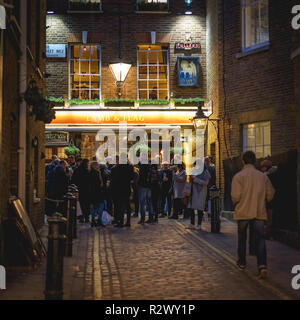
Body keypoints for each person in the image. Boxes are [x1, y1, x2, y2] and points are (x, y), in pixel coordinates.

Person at [231, 151, 275, 279]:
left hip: (243, 211)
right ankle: (262, 266)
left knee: (242, 237)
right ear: (254, 161)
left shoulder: (238, 177)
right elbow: (270, 194)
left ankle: (242, 262)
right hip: (258, 211)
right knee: (260, 239)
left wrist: (239, 201)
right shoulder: (262, 177)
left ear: (243, 161)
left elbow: (235, 197)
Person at [111, 154, 134, 228]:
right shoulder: (130, 166)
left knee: (120, 205)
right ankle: (128, 222)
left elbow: (114, 178)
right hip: (127, 187)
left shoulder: (118, 167)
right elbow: (132, 176)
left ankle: (121, 222)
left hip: (119, 188)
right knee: (127, 205)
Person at [186, 161, 211, 230]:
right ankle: (192, 223)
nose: (195, 167)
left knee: (200, 209)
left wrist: (195, 179)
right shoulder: (194, 170)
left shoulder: (205, 172)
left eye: (196, 166)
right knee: (191, 208)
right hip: (193, 191)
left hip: (201, 192)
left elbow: (206, 182)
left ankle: (199, 224)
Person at [260, 159, 278, 239]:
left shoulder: (267, 176)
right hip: (270, 200)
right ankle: (267, 234)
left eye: (262, 167)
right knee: (269, 219)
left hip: (268, 200)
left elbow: (269, 190)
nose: (261, 169)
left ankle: (267, 234)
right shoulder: (272, 173)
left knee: (268, 219)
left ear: (266, 167)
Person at [72, 159, 91, 223]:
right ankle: (87, 217)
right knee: (87, 204)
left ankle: (81, 217)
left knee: (81, 203)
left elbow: (73, 180)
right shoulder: (87, 170)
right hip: (87, 189)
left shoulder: (77, 170)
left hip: (79, 189)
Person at [138, 155, 154, 224]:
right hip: (149, 186)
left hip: (143, 185)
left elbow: (141, 176)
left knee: (142, 203)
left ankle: (142, 218)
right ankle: (151, 218)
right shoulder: (149, 166)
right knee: (149, 202)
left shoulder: (142, 166)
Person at [90, 162, 105, 227]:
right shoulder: (96, 173)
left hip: (93, 193)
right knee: (101, 205)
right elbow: (99, 183)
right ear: (94, 166)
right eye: (97, 165)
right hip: (98, 192)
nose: (98, 166)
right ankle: (99, 219)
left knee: (94, 206)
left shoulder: (90, 172)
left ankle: (93, 220)